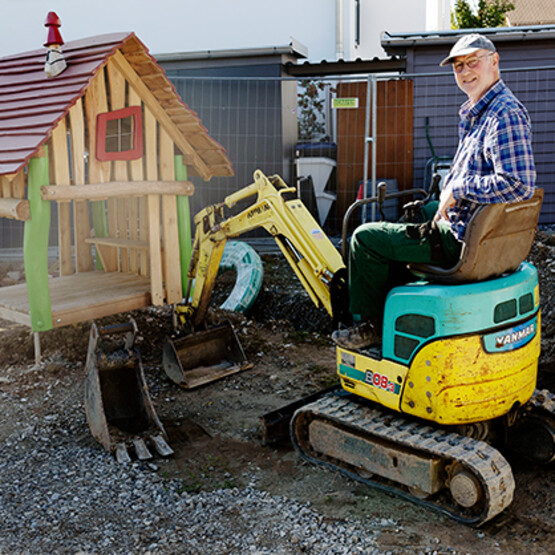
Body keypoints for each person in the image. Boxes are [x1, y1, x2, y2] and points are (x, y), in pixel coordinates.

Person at [332, 33, 536, 350]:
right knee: (411, 216)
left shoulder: (503, 115)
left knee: (364, 238)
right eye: (458, 67)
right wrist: (448, 191)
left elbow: (518, 184)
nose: (465, 72)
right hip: (464, 222)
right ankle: (396, 302)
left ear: (494, 61)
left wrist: (459, 186)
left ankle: (371, 325)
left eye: (473, 62)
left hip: (459, 238)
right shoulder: (479, 112)